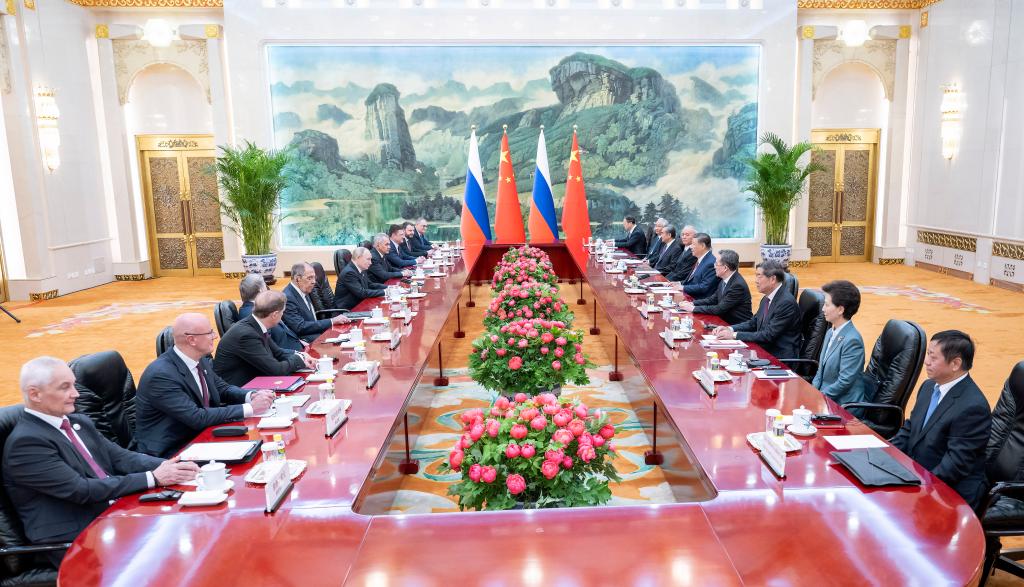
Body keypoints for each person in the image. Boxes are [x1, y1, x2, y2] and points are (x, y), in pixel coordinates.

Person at [3, 357, 199, 559]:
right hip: (76, 539)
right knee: (169, 552)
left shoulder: (78, 422)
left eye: (74, 385)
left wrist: (177, 466)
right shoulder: (26, 443)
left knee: (187, 529)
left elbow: (120, 457)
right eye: (65, 387)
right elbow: (80, 489)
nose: (76, 394)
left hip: (113, 516)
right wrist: (154, 478)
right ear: (35, 394)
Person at [135, 313, 276, 458]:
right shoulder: (161, 375)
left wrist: (252, 395)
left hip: (202, 436)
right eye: (209, 333)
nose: (215, 336)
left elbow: (222, 389)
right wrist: (250, 408)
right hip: (171, 452)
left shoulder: (198, 359)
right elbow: (197, 417)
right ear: (191, 339)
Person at [891, 330, 991, 509]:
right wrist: (886, 455)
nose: (926, 361)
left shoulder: (973, 407)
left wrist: (918, 486)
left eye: (933, 357)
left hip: (947, 492)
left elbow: (954, 465)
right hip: (917, 474)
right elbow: (910, 429)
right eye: (928, 354)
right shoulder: (929, 387)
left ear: (955, 364)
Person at [213, 291, 316, 386]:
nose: (282, 315)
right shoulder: (247, 335)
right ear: (275, 314)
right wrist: (298, 360)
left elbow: (278, 353)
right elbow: (276, 371)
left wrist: (302, 355)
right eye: (282, 312)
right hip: (239, 390)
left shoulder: (256, 324)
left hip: (255, 381)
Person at [713, 260, 801, 359]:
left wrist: (733, 335)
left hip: (779, 358)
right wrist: (729, 329)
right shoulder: (767, 298)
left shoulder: (786, 303)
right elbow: (753, 323)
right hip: (763, 350)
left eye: (759, 276)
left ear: (772, 279)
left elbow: (768, 335)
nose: (756, 280)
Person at [812, 280, 866, 411]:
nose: (823, 309)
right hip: (825, 399)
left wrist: (819, 397)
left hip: (843, 405)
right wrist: (812, 392)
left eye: (827, 305)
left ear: (840, 309)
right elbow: (820, 372)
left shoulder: (853, 341)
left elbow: (844, 382)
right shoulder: (830, 332)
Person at [282, 262, 350, 342]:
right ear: (297, 279)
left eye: (314, 278)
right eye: (309, 278)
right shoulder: (288, 297)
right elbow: (299, 327)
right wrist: (332, 321)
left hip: (314, 332)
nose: (314, 282)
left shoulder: (303, 289)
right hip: (303, 340)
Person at [681, 249, 753, 325]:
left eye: (716, 264)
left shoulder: (737, 285)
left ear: (725, 268)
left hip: (736, 325)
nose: (714, 266)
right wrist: (692, 303)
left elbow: (719, 309)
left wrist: (694, 308)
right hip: (723, 321)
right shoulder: (725, 278)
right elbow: (713, 299)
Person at [238, 274, 305, 352]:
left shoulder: (252, 308)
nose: (268, 289)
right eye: (265, 285)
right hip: (290, 354)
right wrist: (298, 354)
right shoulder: (254, 314)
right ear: (261, 290)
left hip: (297, 346)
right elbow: (269, 348)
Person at [335, 247, 386, 311]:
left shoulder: (361, 268)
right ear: (358, 258)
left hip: (359, 304)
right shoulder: (349, 273)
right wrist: (385, 292)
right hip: (348, 310)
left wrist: (389, 287)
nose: (370, 262)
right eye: (368, 259)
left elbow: (370, 284)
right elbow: (362, 293)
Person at [672, 232, 717, 298]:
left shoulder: (711, 263)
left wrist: (683, 287)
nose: (691, 247)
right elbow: (692, 281)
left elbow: (704, 287)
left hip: (698, 299)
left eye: (693, 244)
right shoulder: (700, 258)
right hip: (689, 295)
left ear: (702, 246)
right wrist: (679, 283)